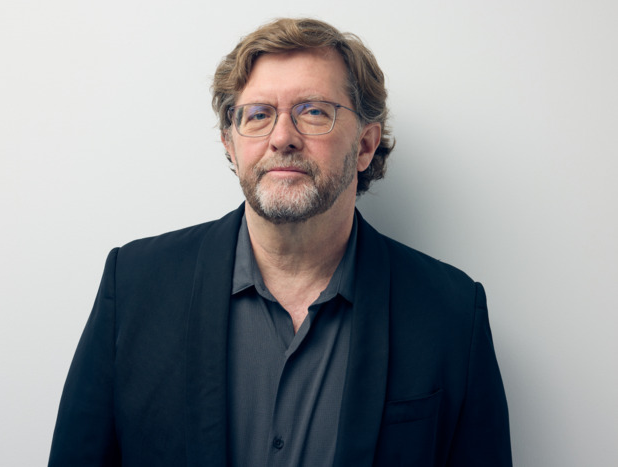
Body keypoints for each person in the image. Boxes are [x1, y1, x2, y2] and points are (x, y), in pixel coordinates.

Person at [48, 17, 512, 467]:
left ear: (365, 145)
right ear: (230, 144)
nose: (282, 137)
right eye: (258, 115)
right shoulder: (134, 287)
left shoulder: (451, 313)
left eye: (314, 111)